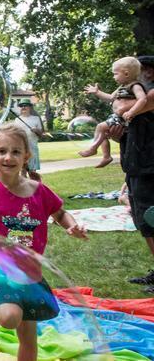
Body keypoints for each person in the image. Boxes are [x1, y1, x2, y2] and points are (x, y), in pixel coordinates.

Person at [0, 123, 87, 360]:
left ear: (26, 156)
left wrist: (72, 225)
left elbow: (60, 213)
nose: (8, 157)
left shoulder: (39, 191)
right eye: (2, 151)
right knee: (10, 318)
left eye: (16, 152)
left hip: (30, 273)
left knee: (29, 337)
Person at [113, 56, 154, 292]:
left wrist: (120, 105)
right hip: (136, 166)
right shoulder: (139, 97)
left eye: (146, 70)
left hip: (150, 168)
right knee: (143, 220)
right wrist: (118, 136)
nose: (143, 75)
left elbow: (120, 106)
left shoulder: (149, 95)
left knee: (151, 219)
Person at [79, 57, 147, 167]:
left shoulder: (135, 86)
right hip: (118, 117)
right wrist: (97, 92)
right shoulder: (121, 87)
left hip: (125, 118)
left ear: (126, 73)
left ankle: (94, 148)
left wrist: (132, 112)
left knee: (100, 128)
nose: (113, 77)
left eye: (115, 74)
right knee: (102, 132)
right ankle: (106, 156)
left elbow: (142, 99)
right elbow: (110, 97)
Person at [14, 99, 44, 180]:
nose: (23, 107)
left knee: (32, 172)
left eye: (25, 105)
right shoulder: (17, 120)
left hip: (33, 147)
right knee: (23, 170)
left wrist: (36, 130)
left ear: (30, 107)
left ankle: (34, 189)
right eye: (21, 106)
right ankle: (23, 189)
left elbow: (41, 134)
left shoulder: (36, 118)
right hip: (21, 148)